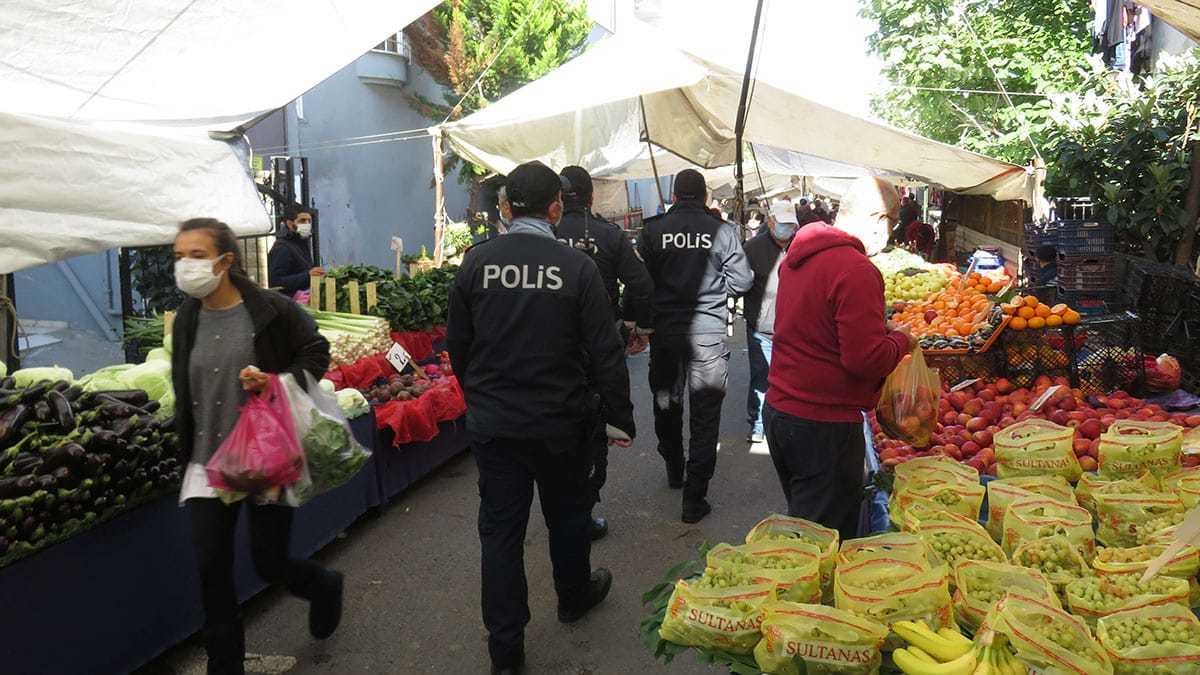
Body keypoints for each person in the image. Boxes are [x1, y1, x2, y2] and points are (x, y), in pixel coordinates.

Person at [447, 161, 636, 675]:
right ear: (555, 209)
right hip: (561, 422)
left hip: (497, 425)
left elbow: (458, 345)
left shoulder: (476, 263)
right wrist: (620, 417)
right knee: (568, 516)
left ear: (507, 208)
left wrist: (481, 398)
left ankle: (506, 650)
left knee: (501, 534)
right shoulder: (577, 268)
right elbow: (605, 351)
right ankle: (573, 596)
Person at [170, 218, 343, 674]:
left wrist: (276, 382)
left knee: (269, 562)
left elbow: (316, 350)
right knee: (211, 567)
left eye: (196, 255)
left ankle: (322, 585)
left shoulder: (270, 309)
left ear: (226, 261)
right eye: (179, 256)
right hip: (206, 461)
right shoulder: (187, 317)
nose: (185, 265)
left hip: (265, 455)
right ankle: (225, 663)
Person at [764, 178, 917, 540]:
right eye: (893, 223)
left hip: (782, 412)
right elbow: (865, 360)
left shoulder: (798, 256)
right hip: (823, 424)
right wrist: (901, 340)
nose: (890, 234)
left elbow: (816, 325)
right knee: (823, 541)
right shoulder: (856, 268)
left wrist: (875, 329)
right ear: (879, 219)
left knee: (805, 525)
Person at [639, 168, 753, 523]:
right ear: (705, 197)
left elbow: (643, 282)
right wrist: (717, 293)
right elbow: (742, 280)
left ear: (673, 196)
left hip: (665, 333)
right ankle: (694, 498)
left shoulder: (652, 230)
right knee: (705, 415)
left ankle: (674, 468)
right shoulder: (723, 231)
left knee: (666, 403)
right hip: (708, 332)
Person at [556, 165, 654, 542]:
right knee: (594, 423)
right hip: (597, 346)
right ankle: (583, 509)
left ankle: (560, 504)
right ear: (591, 196)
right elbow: (641, 285)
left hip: (549, 347)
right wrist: (634, 326)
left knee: (555, 422)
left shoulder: (543, 234)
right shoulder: (608, 235)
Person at [744, 201, 798, 447]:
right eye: (782, 223)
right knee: (762, 376)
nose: (786, 228)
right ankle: (758, 424)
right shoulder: (752, 248)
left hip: (796, 327)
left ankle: (788, 425)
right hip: (763, 327)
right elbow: (739, 281)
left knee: (793, 379)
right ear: (771, 221)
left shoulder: (802, 247)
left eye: (790, 224)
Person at [269, 204, 323, 295]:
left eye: (309, 221)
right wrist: (308, 275)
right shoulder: (282, 248)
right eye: (302, 221)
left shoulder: (301, 242)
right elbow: (276, 281)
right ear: (290, 224)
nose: (307, 224)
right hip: (290, 300)